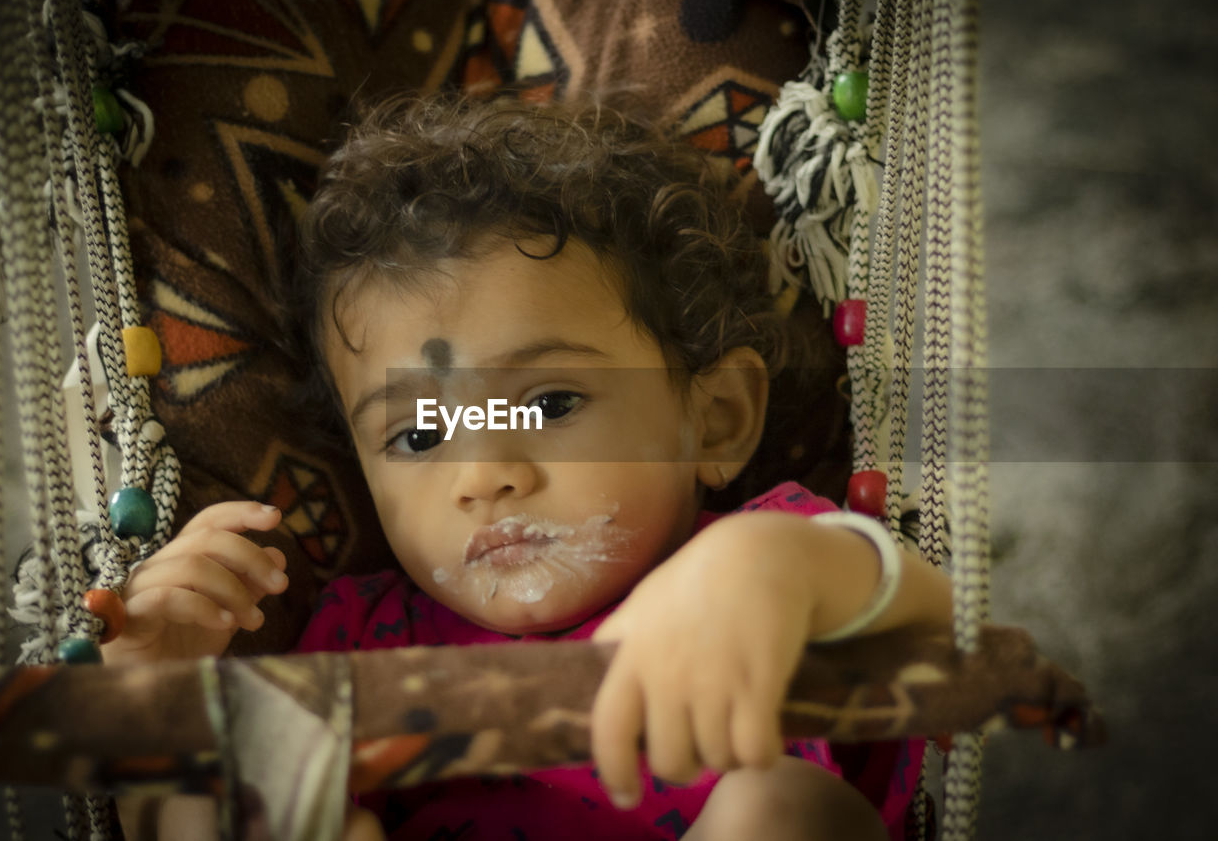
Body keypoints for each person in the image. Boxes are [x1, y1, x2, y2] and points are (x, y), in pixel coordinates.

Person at [103, 95, 953, 840]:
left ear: (716, 416)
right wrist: (155, 686)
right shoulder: (362, 647)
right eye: (419, 436)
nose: (483, 473)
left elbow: (939, 627)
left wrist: (771, 567)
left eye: (548, 404)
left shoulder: (765, 560)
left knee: (786, 807)